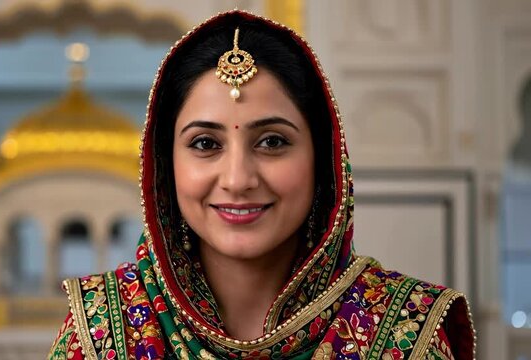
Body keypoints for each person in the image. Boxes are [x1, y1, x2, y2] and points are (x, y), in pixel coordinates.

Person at [47, 10, 475, 360]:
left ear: (324, 161)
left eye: (272, 142)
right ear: (164, 166)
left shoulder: (402, 331)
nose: (237, 180)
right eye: (205, 143)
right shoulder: (102, 330)